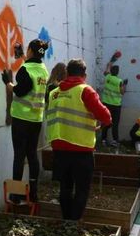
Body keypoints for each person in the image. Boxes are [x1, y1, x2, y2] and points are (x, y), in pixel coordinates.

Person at [45, 58, 112, 221]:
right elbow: (106, 117)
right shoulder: (85, 91)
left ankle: (66, 221)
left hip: (59, 148)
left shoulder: (54, 93)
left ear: (67, 73)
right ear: (85, 74)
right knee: (82, 189)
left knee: (65, 188)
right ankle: (74, 222)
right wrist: (100, 125)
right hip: (81, 149)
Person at [2, 39, 49, 202]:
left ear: (30, 50)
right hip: (36, 119)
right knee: (32, 154)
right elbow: (32, 70)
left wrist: (7, 82)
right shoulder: (43, 69)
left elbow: (20, 90)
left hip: (21, 119)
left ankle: (16, 194)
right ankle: (33, 191)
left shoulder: (24, 69)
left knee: (19, 156)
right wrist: (22, 56)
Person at [100, 54, 127, 146]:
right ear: (118, 72)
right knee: (115, 124)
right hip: (116, 105)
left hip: (106, 104)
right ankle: (115, 141)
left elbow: (107, 67)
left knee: (105, 122)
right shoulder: (119, 81)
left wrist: (112, 60)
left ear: (111, 71)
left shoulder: (107, 77)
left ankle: (103, 140)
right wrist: (125, 85)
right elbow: (122, 92)